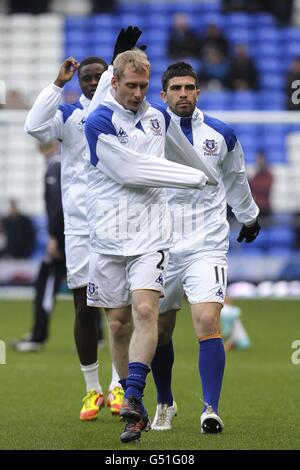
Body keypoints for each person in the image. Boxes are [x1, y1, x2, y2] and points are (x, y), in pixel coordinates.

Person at [85, 45, 212, 443]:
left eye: (143, 86)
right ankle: (130, 394)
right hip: (107, 235)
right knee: (118, 324)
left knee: (145, 310)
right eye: (132, 86)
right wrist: (193, 180)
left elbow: (186, 155)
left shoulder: (158, 118)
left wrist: (210, 179)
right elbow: (130, 171)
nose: (139, 94)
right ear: (116, 83)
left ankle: (135, 398)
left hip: (151, 234)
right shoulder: (98, 120)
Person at [150, 62, 260, 433]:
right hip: (160, 244)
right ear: (163, 95)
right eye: (176, 88)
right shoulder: (147, 130)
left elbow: (236, 178)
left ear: (199, 92)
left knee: (208, 321)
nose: (183, 94)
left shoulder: (221, 133)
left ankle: (210, 409)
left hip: (207, 245)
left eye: (190, 87)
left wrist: (249, 217)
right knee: (160, 332)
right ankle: (164, 402)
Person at [24, 55, 122, 420]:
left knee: (119, 309)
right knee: (83, 306)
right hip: (79, 226)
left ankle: (117, 386)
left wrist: (115, 72)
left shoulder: (119, 113)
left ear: (109, 78)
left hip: (116, 223)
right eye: (86, 77)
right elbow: (34, 127)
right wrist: (56, 84)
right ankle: (91, 389)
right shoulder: (68, 116)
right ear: (78, 81)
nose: (93, 82)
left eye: (100, 76)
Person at [11, 141, 66, 351]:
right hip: (74, 235)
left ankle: (38, 335)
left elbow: (56, 205)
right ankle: (96, 334)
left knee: (45, 283)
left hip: (62, 237)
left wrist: (53, 237)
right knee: (85, 285)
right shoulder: (66, 163)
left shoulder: (55, 166)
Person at [249, 151, 273, 218]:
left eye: (262, 160)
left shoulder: (268, 175)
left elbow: (265, 188)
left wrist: (253, 184)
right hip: (256, 207)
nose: (260, 162)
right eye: (259, 160)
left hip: (265, 208)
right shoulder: (255, 175)